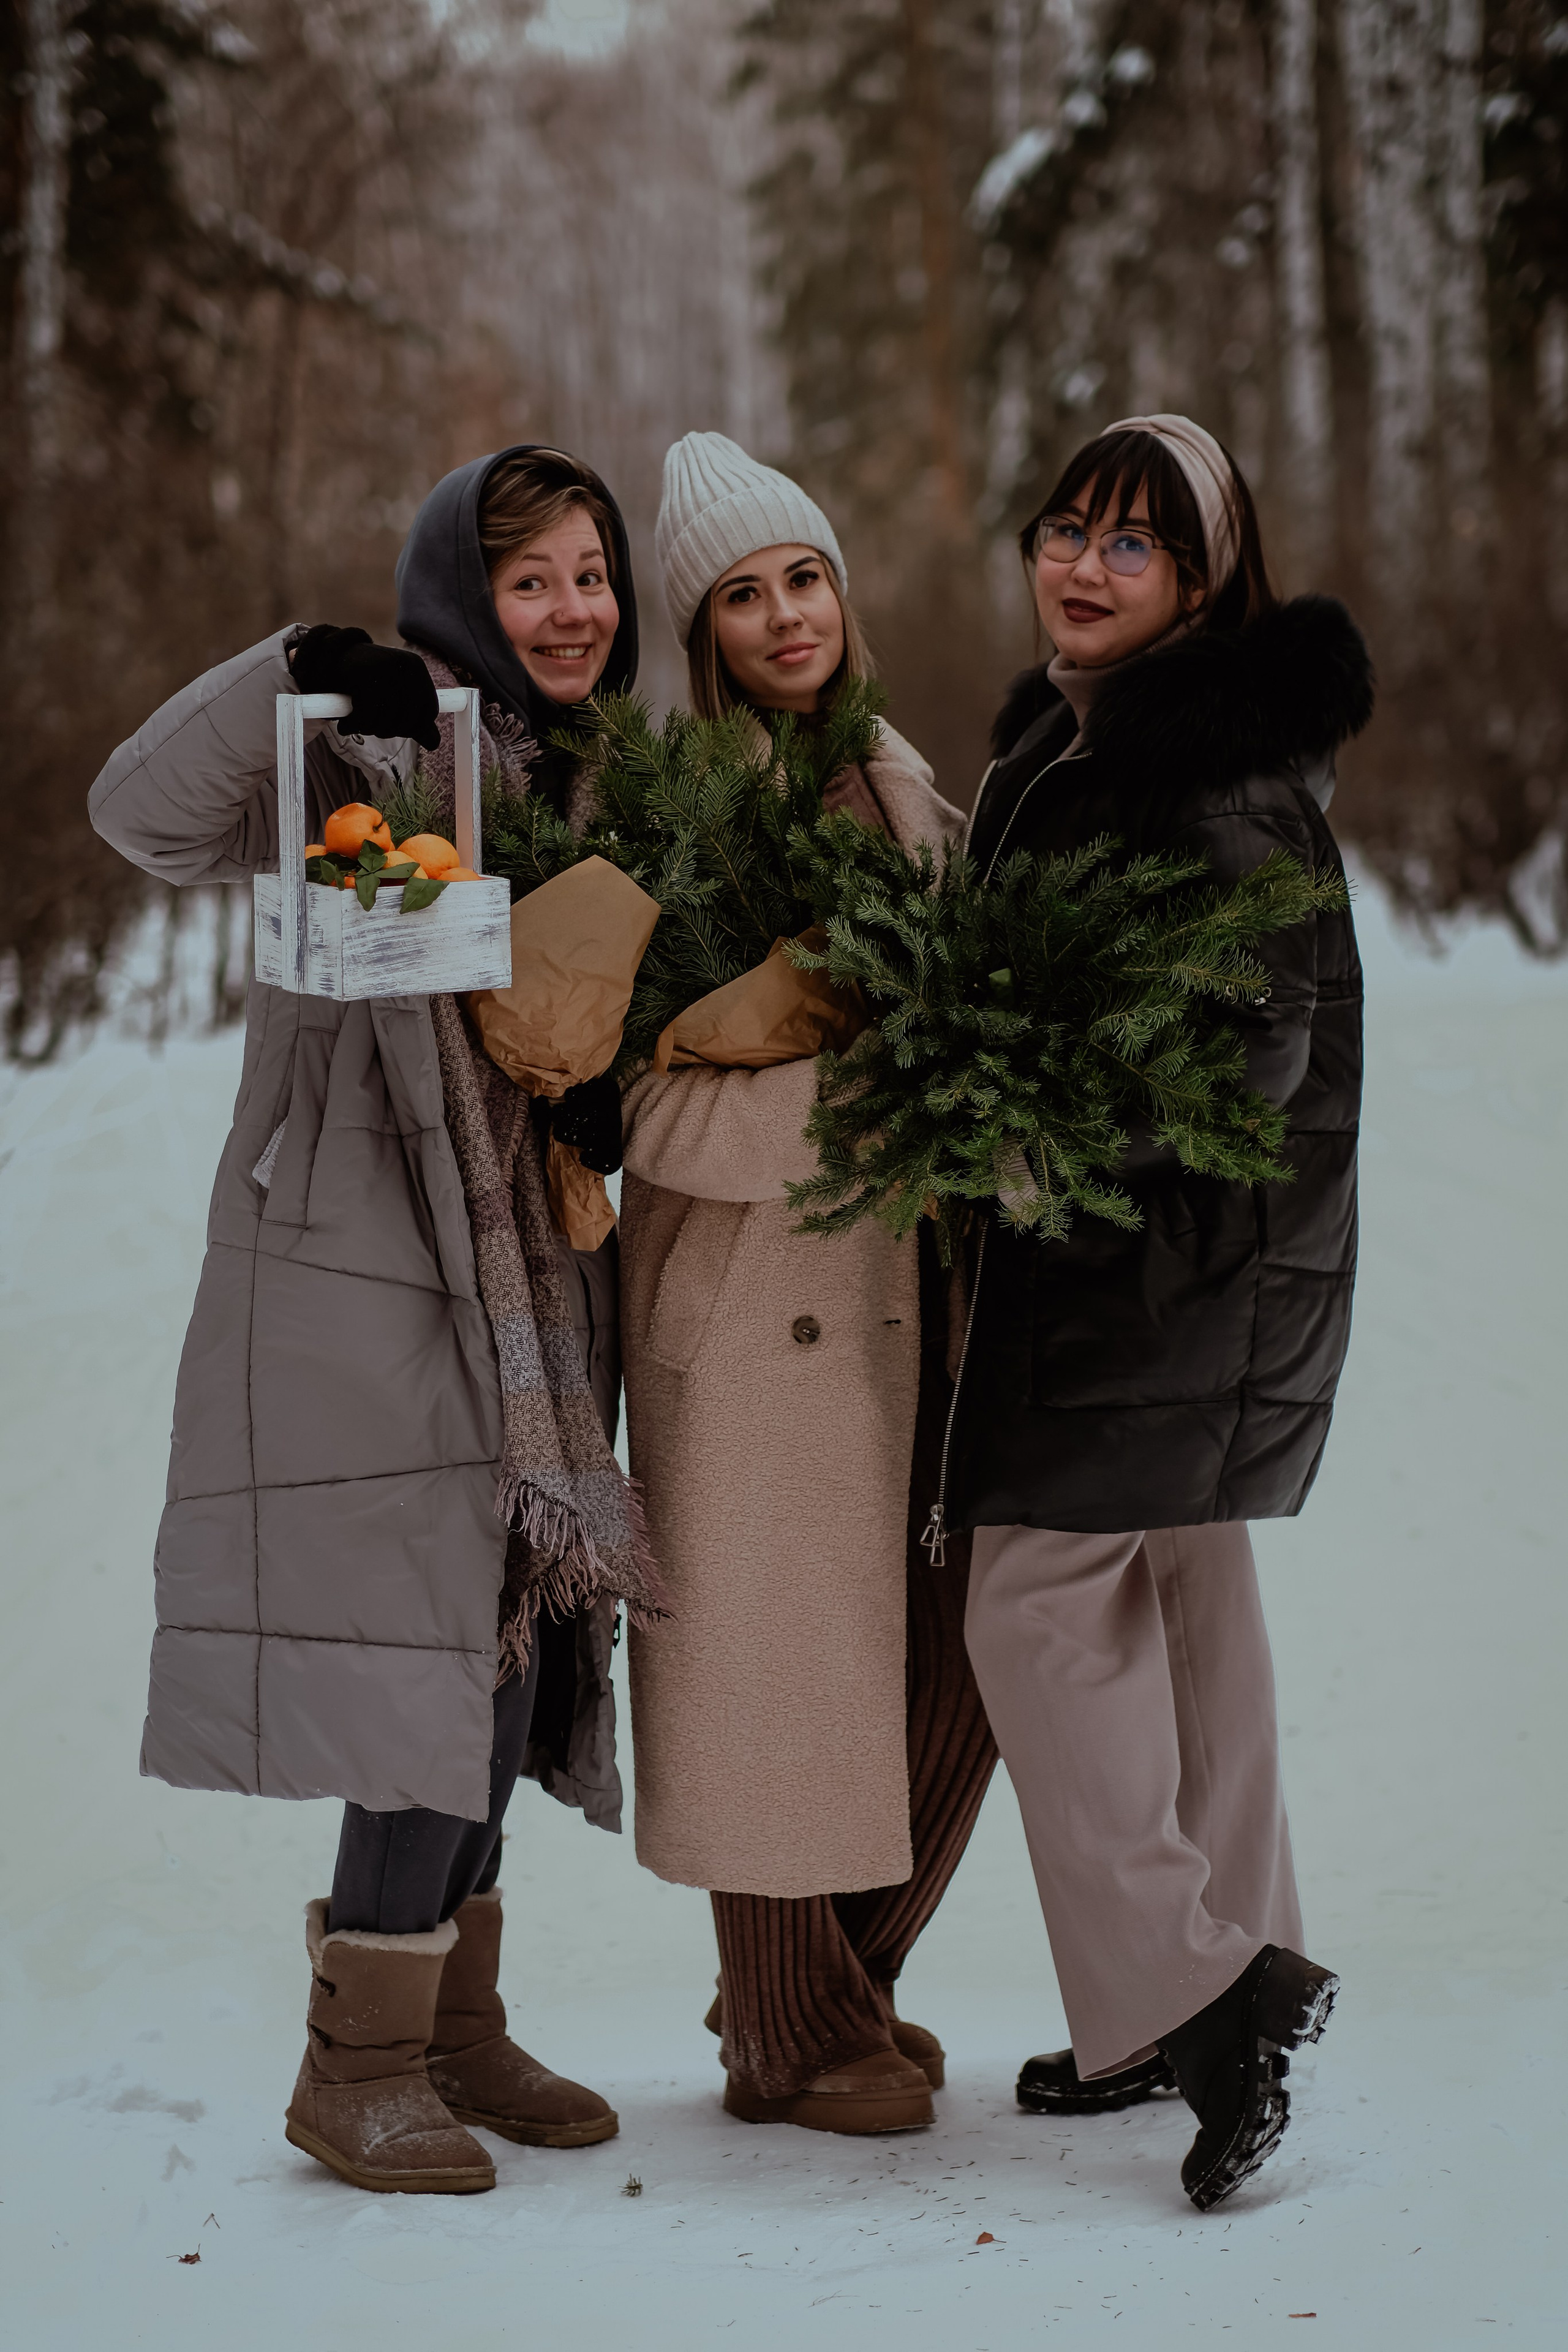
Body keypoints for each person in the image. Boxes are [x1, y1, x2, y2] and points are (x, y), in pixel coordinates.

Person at [87, 445, 662, 2196]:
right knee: (435, 1654)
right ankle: (359, 2068)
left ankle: (452, 2028)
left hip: (535, 1279)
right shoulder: (339, 750)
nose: (572, 611)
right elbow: (139, 814)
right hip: (375, 1262)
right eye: (530, 581)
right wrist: (289, 671)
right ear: (455, 597)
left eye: (590, 574)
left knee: (510, 1641)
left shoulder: (603, 784)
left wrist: (605, 1097)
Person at [943, 413, 1371, 2209]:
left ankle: (1199, 1992)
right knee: (1190, 1610)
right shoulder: (1090, 735)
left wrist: (1036, 1132)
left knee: (1034, 1602)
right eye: (1067, 527)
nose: (1084, 564)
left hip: (1158, 1266)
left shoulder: (1203, 765)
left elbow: (1246, 1043)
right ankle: (1213, 1969)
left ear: (1200, 582)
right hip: (1187, 1274)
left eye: (1134, 543)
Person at [616, 431, 998, 2136]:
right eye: (745, 593)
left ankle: (828, 1982)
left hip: (908, 1289)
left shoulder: (908, 786)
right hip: (747, 1288)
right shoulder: (673, 822)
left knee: (960, 1652)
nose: (787, 615)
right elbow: (642, 1102)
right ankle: (791, 2025)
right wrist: (866, 1102)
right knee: (777, 1662)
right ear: (702, 632)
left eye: (806, 576)